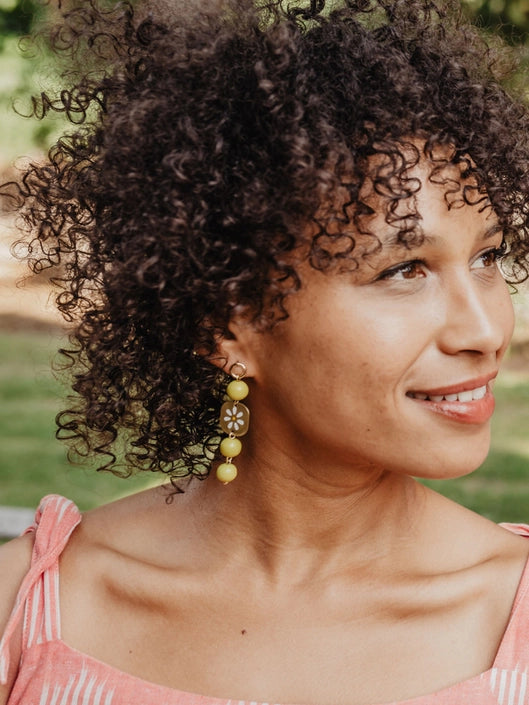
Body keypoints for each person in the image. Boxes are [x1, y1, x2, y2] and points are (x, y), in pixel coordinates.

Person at [1, 0, 529, 702]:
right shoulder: (34, 610)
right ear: (229, 324)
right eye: (403, 270)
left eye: (488, 256)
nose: (487, 330)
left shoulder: (511, 616)